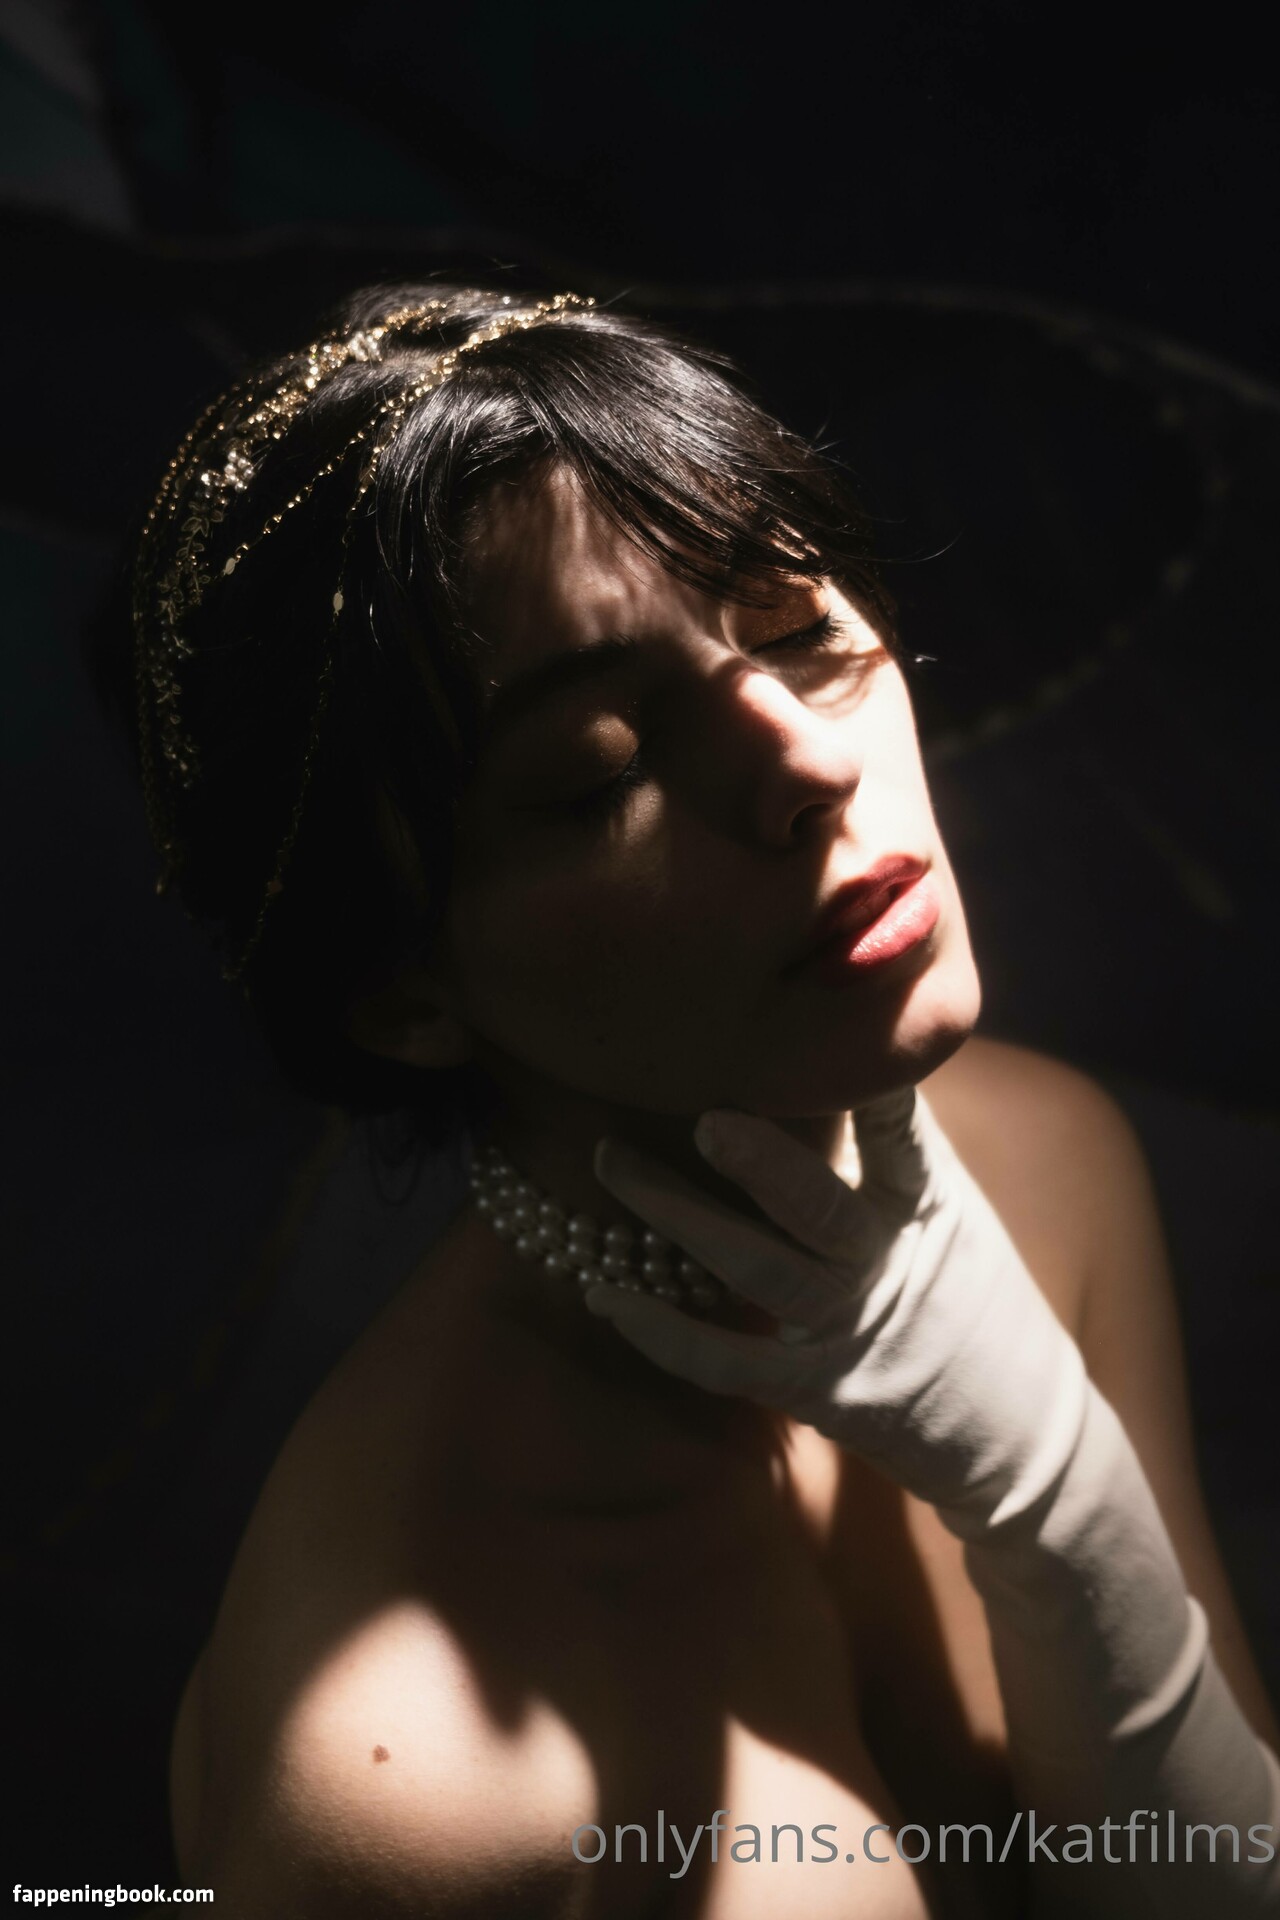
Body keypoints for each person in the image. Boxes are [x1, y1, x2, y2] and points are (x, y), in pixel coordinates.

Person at [101, 283, 1279, 1917]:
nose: (803, 760)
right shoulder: (411, 1798)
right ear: (404, 992)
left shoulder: (1045, 1160)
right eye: (602, 770)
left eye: (794, 628)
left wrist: (1061, 1503)